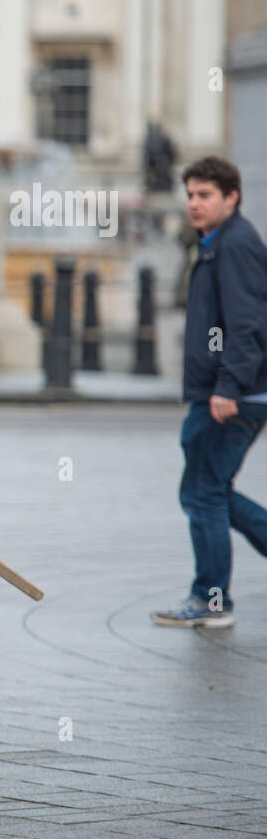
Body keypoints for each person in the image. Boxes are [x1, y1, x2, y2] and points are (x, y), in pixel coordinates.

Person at [152, 156, 267, 629]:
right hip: (224, 392)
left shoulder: (235, 245)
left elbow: (247, 325)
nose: (194, 204)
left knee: (203, 493)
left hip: (231, 396)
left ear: (231, 197)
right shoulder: (217, 243)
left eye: (205, 195)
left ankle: (211, 600)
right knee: (206, 490)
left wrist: (228, 387)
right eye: (191, 195)